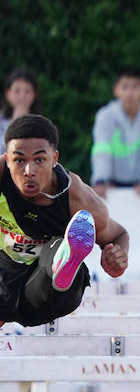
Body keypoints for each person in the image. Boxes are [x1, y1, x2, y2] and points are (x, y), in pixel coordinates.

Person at [0, 115, 130, 325]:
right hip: (5, 277)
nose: (29, 171)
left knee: (57, 249)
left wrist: (117, 259)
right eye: (19, 160)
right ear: (7, 160)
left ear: (55, 159)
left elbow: (118, 234)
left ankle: (66, 258)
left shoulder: (77, 197)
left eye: (39, 160)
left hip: (48, 291)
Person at [90, 67, 140, 197]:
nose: (130, 93)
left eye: (135, 87)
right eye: (125, 87)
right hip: (111, 184)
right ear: (116, 90)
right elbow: (102, 150)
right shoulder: (105, 115)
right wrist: (100, 180)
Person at [0, 69, 39, 141]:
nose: (22, 96)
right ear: (8, 93)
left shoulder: (41, 124)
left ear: (34, 95)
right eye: (17, 91)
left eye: (27, 91)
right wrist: (15, 122)